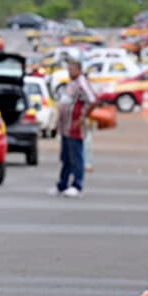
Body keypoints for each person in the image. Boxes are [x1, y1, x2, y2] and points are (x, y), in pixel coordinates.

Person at [50, 58, 96, 198]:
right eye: (68, 69)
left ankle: (77, 184)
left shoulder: (82, 83)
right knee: (66, 157)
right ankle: (62, 184)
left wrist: (82, 117)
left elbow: (92, 100)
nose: (69, 72)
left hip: (74, 126)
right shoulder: (72, 83)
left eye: (72, 69)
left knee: (76, 156)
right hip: (65, 127)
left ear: (79, 70)